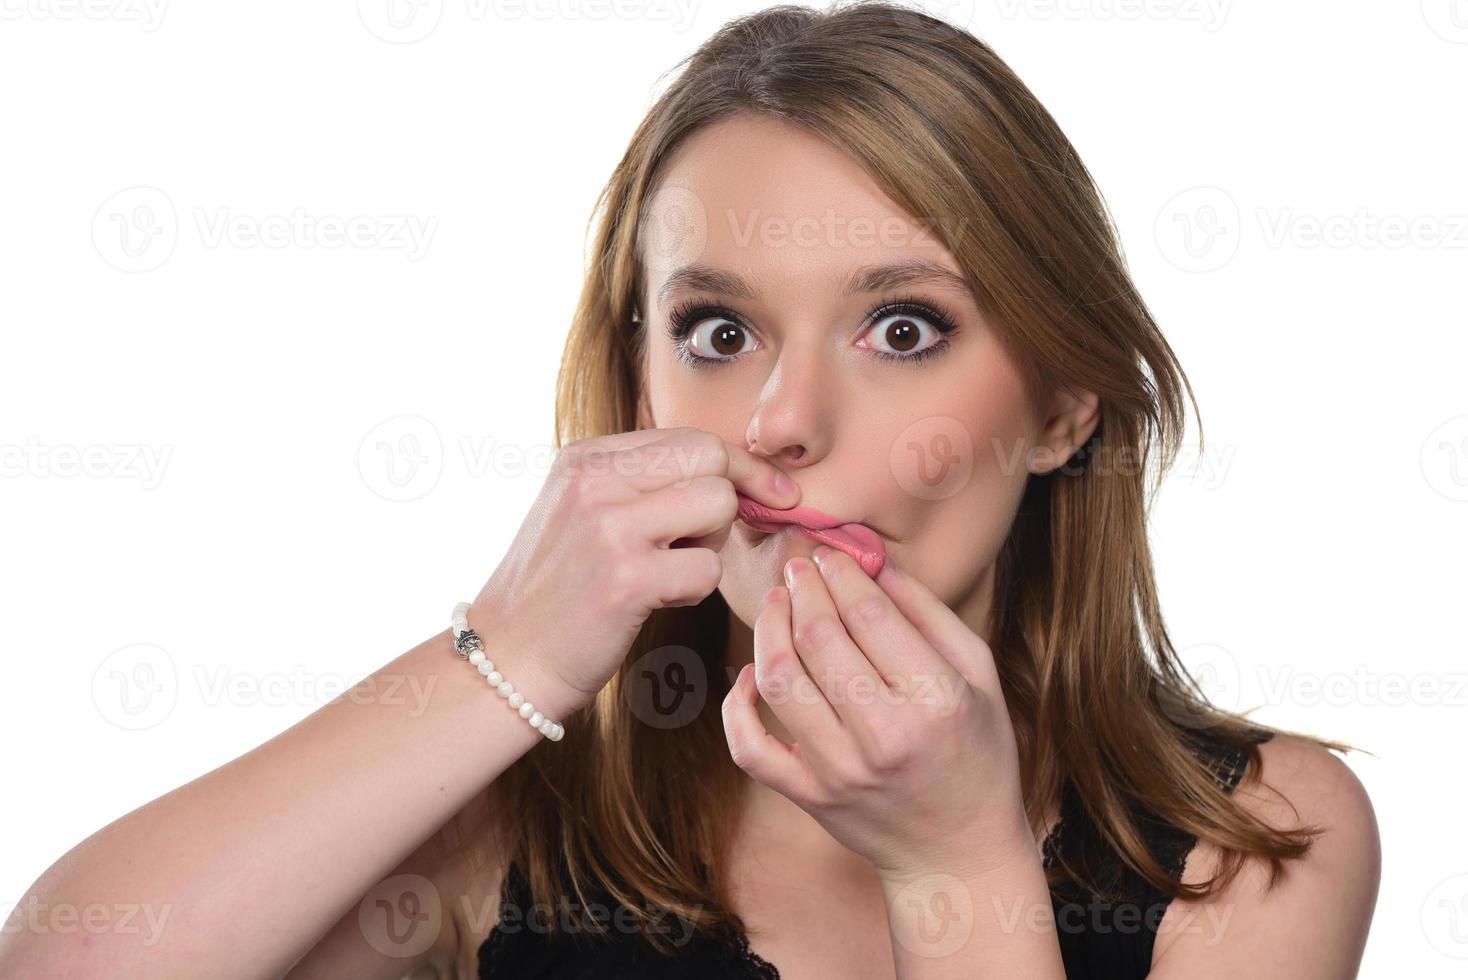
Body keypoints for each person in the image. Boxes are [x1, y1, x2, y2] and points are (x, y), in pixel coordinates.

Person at [0, 3, 1380, 978]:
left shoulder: (1255, 840)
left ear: (1064, 405)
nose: (781, 424)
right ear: (642, 382)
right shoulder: (512, 822)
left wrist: (955, 871)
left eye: (903, 328)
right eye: (720, 333)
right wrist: (507, 653)